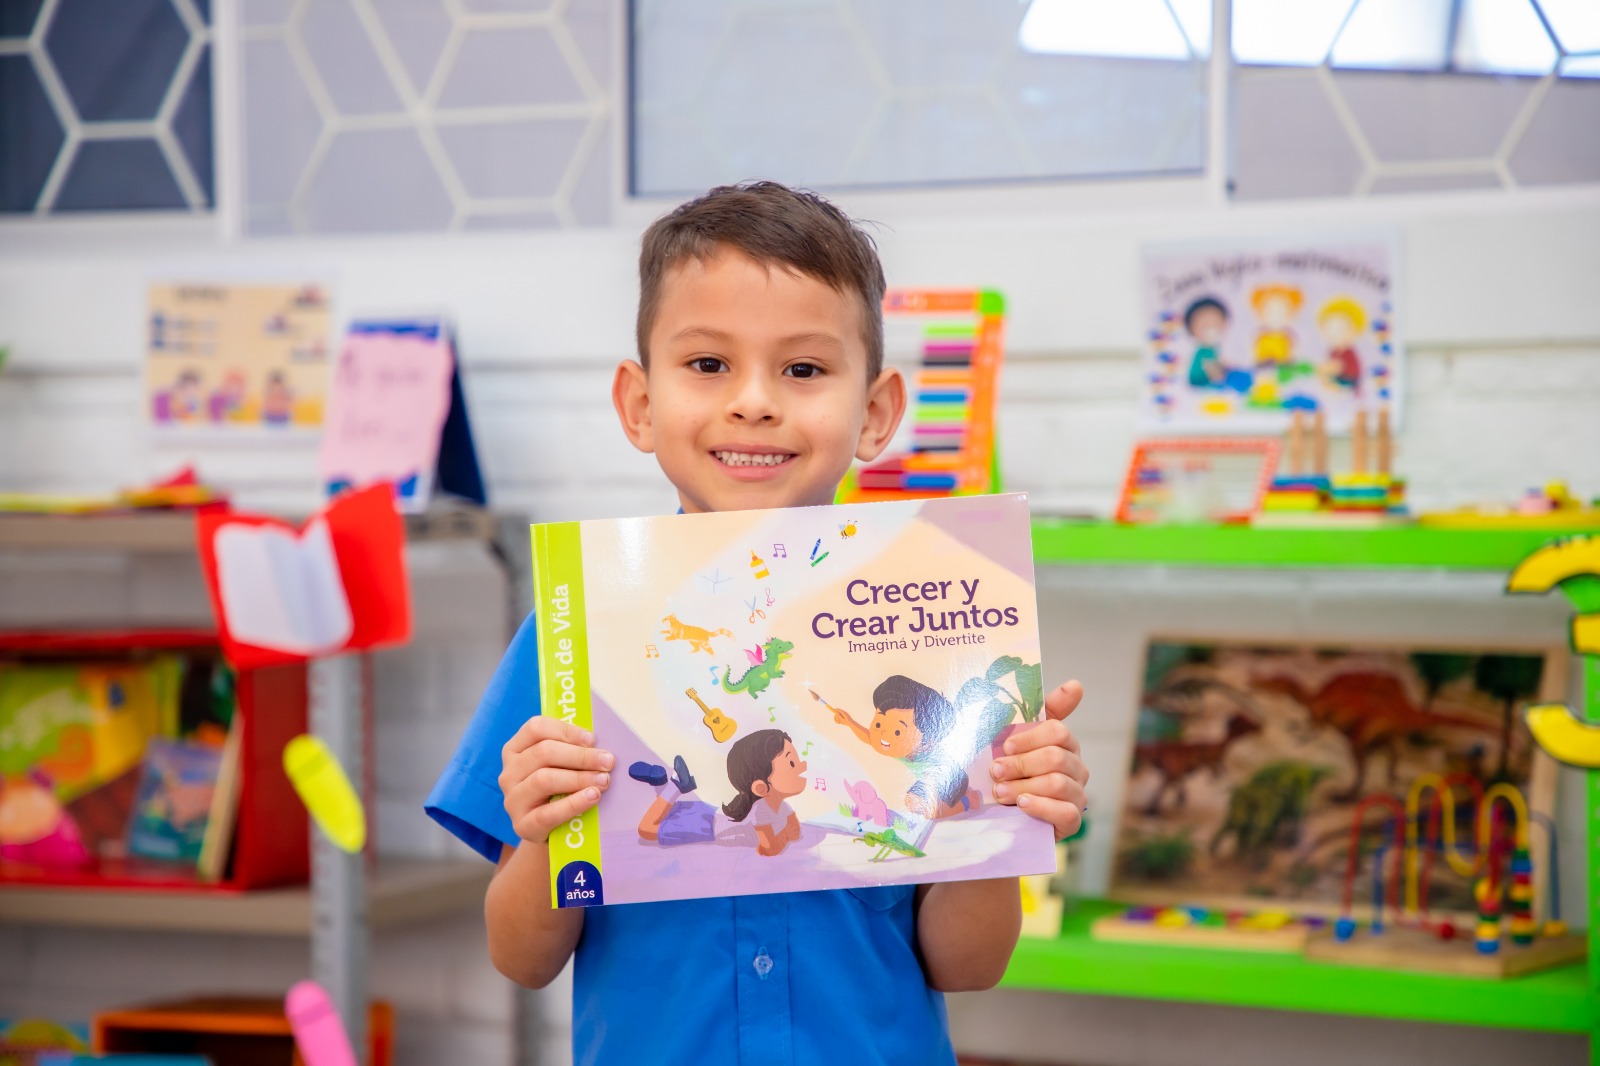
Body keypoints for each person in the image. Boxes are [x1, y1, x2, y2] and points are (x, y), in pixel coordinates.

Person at [423, 181, 1091, 1064]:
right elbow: (521, 959)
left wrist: (1003, 816)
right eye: (707, 365)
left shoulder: (934, 628)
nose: (754, 402)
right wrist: (546, 834)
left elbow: (968, 967)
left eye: (804, 369)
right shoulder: (574, 628)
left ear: (878, 412)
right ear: (639, 404)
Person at [631, 730, 806, 856]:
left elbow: (795, 830)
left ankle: (662, 784)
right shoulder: (761, 809)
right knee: (646, 829)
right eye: (792, 764)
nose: (802, 765)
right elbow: (769, 849)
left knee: (668, 812)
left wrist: (787, 833)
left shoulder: (783, 806)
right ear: (761, 787)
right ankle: (675, 785)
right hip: (706, 827)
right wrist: (785, 834)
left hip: (711, 813)